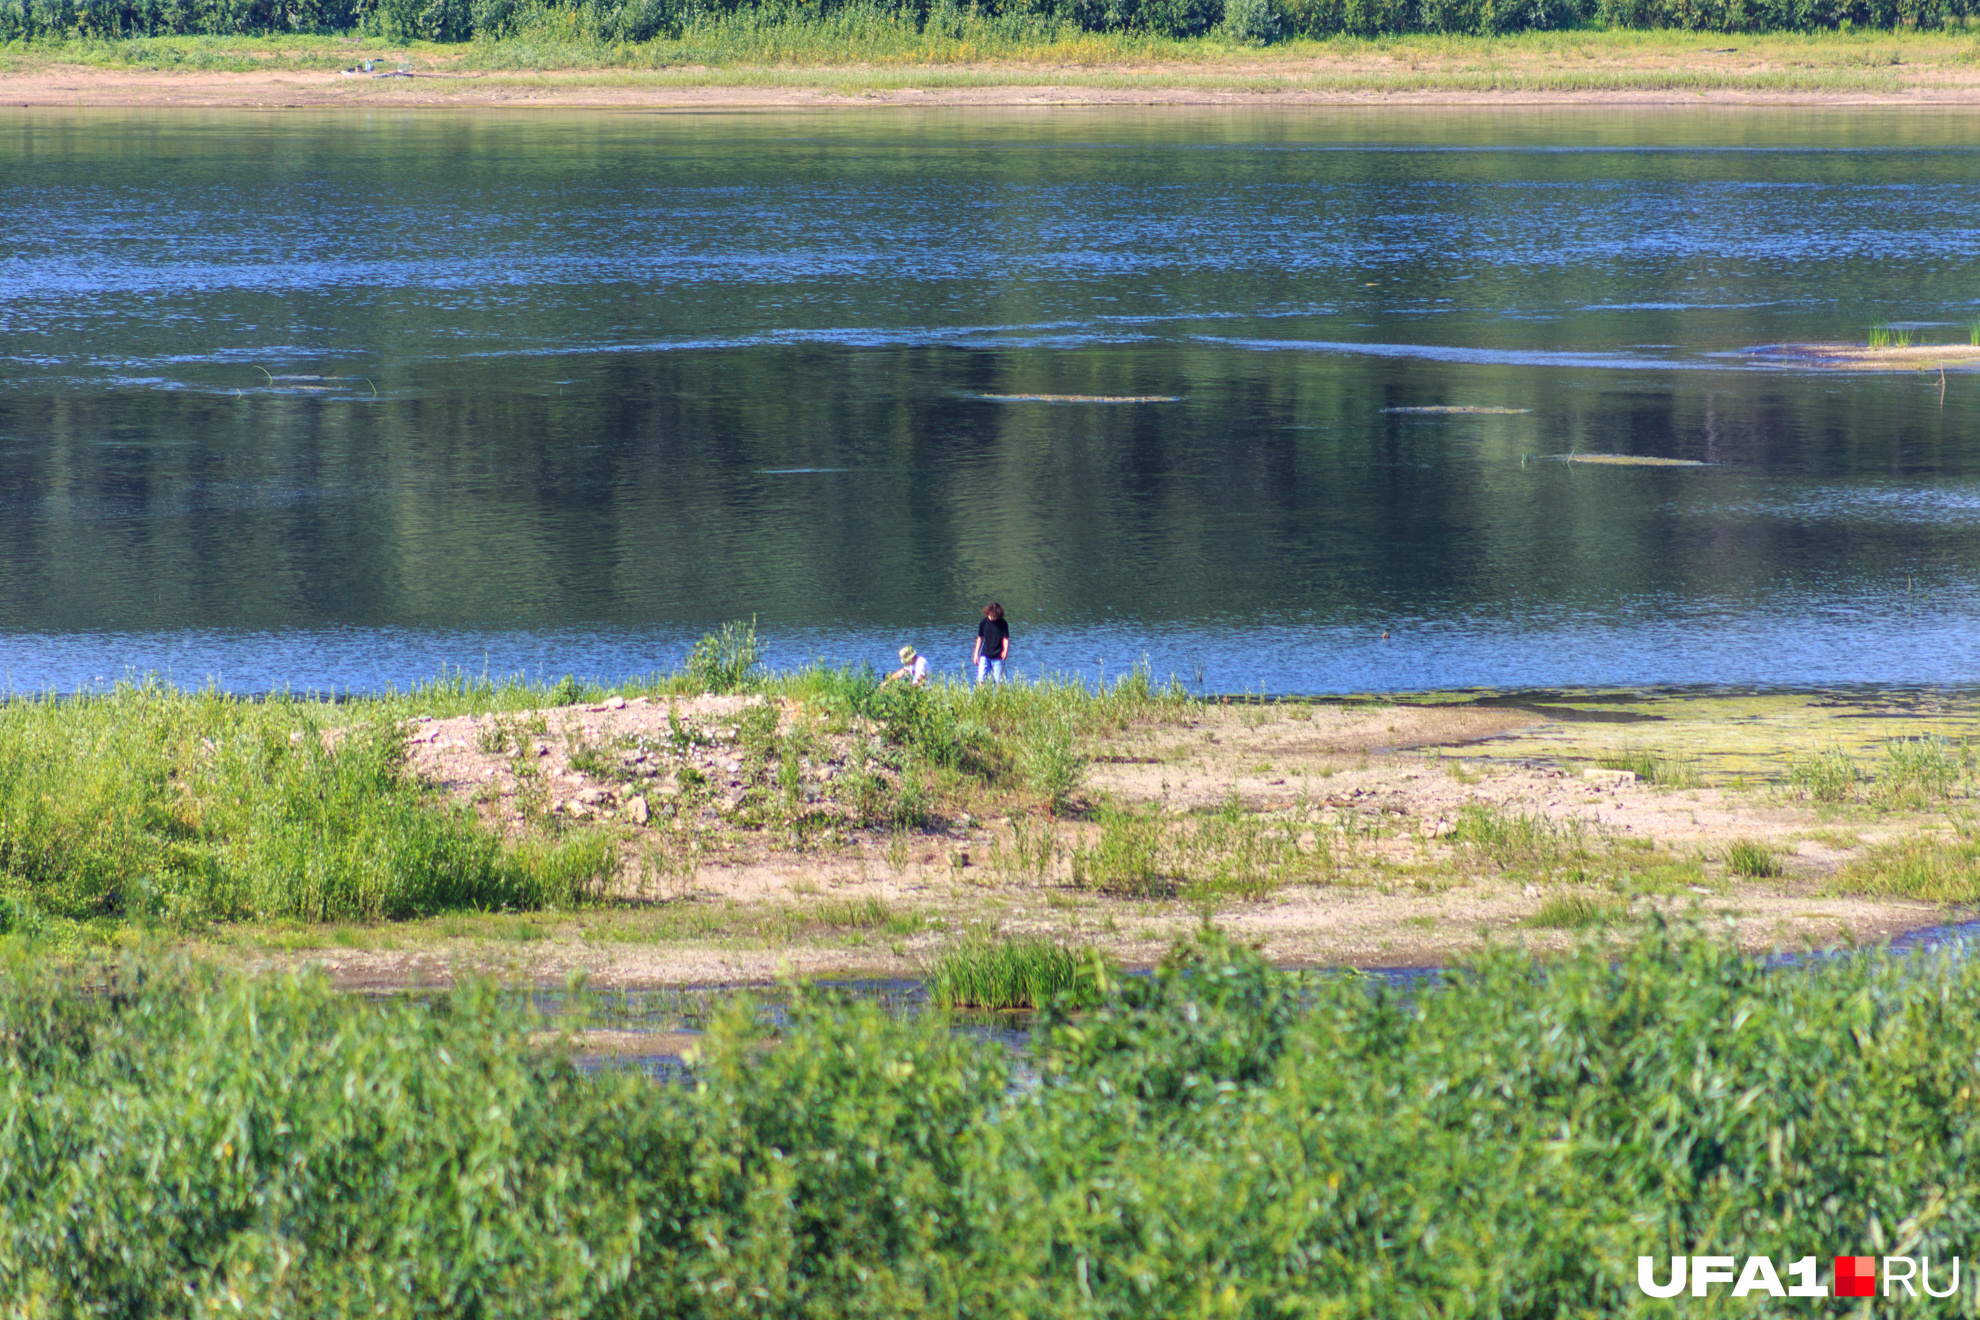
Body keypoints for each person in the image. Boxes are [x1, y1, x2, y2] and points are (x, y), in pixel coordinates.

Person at [973, 602, 1010, 685]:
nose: (991, 617)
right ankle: (981, 696)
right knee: (981, 678)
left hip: (998, 656)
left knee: (999, 681)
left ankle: (999, 697)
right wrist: (976, 654)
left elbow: (1005, 639)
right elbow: (980, 638)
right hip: (985, 655)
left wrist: (1005, 650)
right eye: (990, 615)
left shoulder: (1003, 623)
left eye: (993, 615)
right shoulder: (983, 622)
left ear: (998, 614)